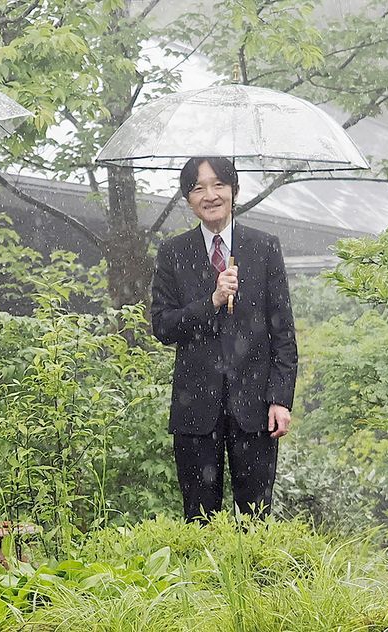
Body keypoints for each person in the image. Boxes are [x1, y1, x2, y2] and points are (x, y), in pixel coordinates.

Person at [151, 156, 298, 522]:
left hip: (256, 408)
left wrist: (280, 399)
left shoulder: (263, 248)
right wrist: (212, 301)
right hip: (195, 409)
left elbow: (283, 333)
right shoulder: (174, 253)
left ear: (234, 190)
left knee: (256, 519)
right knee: (199, 520)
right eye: (198, 187)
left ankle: (256, 580)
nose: (210, 195)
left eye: (218, 184)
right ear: (188, 198)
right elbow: (163, 327)